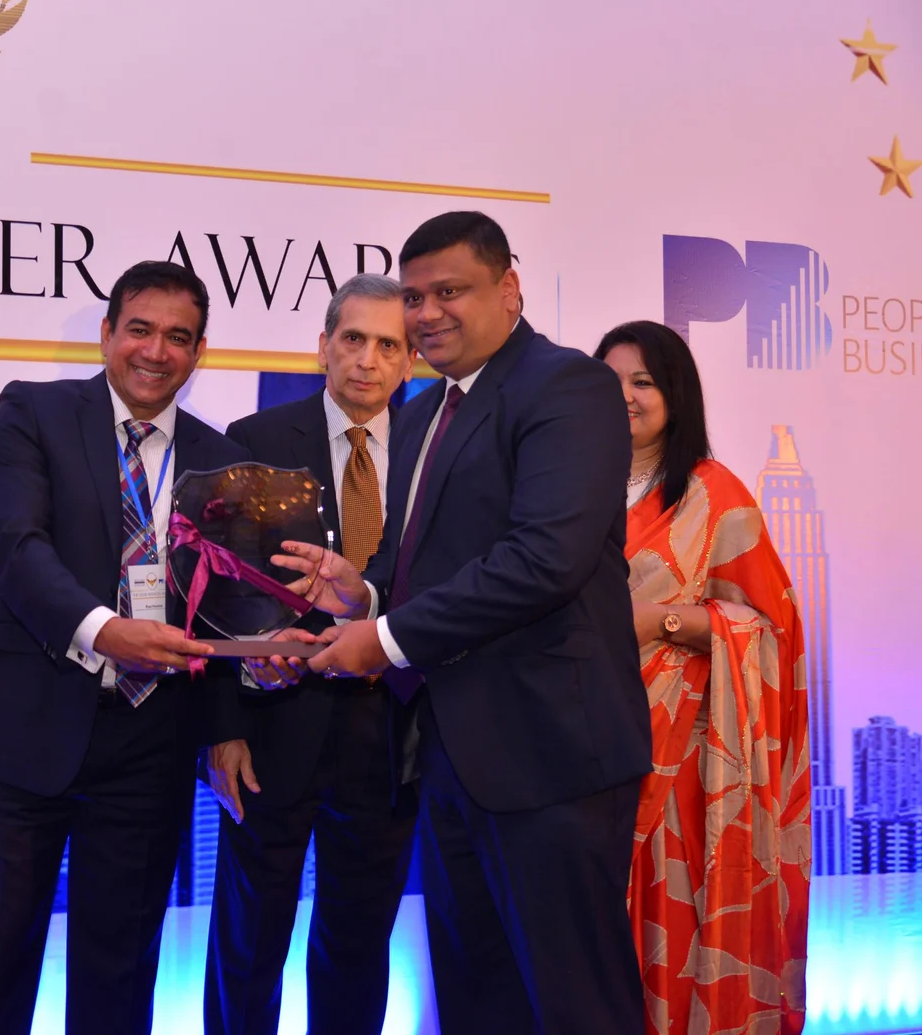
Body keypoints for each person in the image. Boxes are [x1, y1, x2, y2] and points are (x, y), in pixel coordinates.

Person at [279, 212, 652, 1033]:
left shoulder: (567, 386)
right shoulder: (422, 412)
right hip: (446, 757)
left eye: (449, 291)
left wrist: (381, 641)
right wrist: (360, 595)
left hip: (551, 757)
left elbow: (544, 559)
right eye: (414, 297)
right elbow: (416, 567)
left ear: (509, 289)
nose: (427, 313)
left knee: (575, 1006)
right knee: (477, 1001)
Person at [0, 260, 247, 1035]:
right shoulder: (34, 412)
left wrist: (232, 715)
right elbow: (12, 544)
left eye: (178, 337)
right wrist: (104, 631)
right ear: (107, 333)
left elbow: (223, 605)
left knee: (121, 972)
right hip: (26, 725)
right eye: (139, 329)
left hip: (152, 742)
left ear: (199, 351)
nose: (156, 351)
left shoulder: (220, 458)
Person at [203, 273, 419, 1035]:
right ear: (323, 346)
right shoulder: (256, 440)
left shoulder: (436, 449)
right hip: (272, 728)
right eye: (353, 339)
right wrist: (222, 728)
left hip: (391, 733)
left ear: (410, 360)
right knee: (249, 942)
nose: (368, 359)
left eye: (388, 345)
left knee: (357, 944)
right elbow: (214, 592)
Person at [595, 320, 810, 1035]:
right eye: (609, 381)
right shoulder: (565, 488)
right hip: (571, 748)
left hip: (684, 764)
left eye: (642, 382)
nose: (624, 396)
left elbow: (773, 629)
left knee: (671, 927)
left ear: (676, 395)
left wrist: (663, 622)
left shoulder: (716, 496)